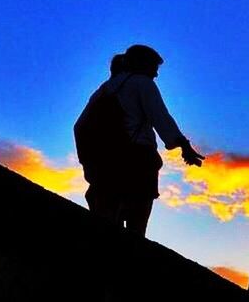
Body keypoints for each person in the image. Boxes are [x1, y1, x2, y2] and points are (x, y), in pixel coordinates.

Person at [75, 43, 204, 238]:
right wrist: (183, 144)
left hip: (105, 165)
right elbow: (160, 116)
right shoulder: (143, 83)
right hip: (138, 161)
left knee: (106, 219)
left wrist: (89, 161)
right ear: (143, 64)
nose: (156, 75)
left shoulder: (104, 89)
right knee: (137, 224)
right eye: (154, 68)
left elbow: (79, 126)